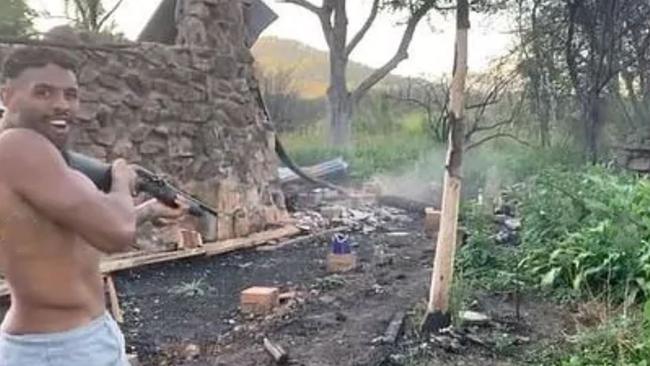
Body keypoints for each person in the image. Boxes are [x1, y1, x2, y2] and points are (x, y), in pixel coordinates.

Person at [0, 45, 188, 365]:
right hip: (58, 350)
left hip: (77, 340)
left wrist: (150, 210)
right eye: (43, 92)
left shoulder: (43, 159)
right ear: (7, 96)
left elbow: (73, 237)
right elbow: (115, 233)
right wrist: (121, 177)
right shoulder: (17, 146)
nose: (61, 105)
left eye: (70, 95)